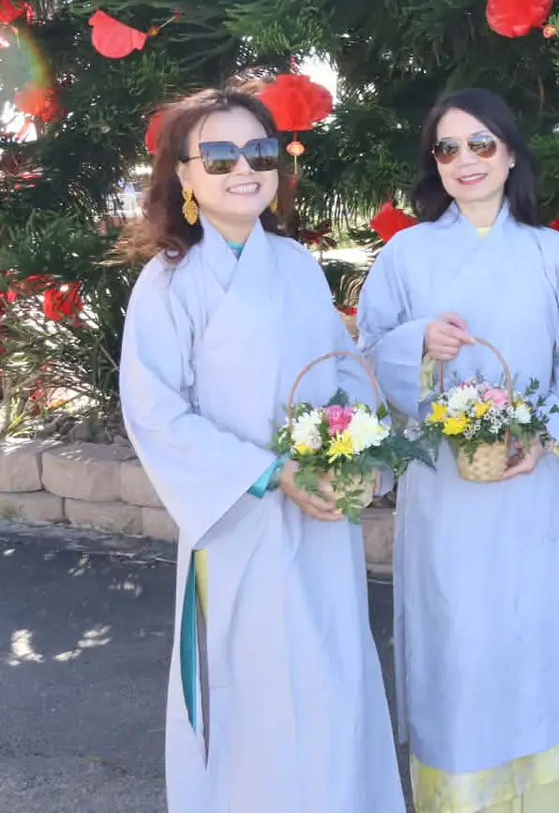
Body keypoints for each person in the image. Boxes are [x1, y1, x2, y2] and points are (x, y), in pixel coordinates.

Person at [119, 85, 404, 811]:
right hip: (237, 526)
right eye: (219, 156)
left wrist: (352, 453)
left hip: (321, 522)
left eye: (259, 152)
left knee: (331, 683)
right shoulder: (169, 282)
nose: (243, 168)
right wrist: (270, 472)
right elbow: (155, 412)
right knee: (253, 701)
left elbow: (343, 372)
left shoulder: (298, 265)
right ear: (183, 175)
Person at [356, 88, 559, 813]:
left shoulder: (551, 252)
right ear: (432, 162)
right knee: (463, 644)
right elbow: (366, 359)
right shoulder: (405, 254)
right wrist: (419, 344)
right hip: (449, 494)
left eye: (481, 144)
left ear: (509, 154)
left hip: (537, 486)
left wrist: (545, 435)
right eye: (448, 148)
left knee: (545, 640)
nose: (465, 160)